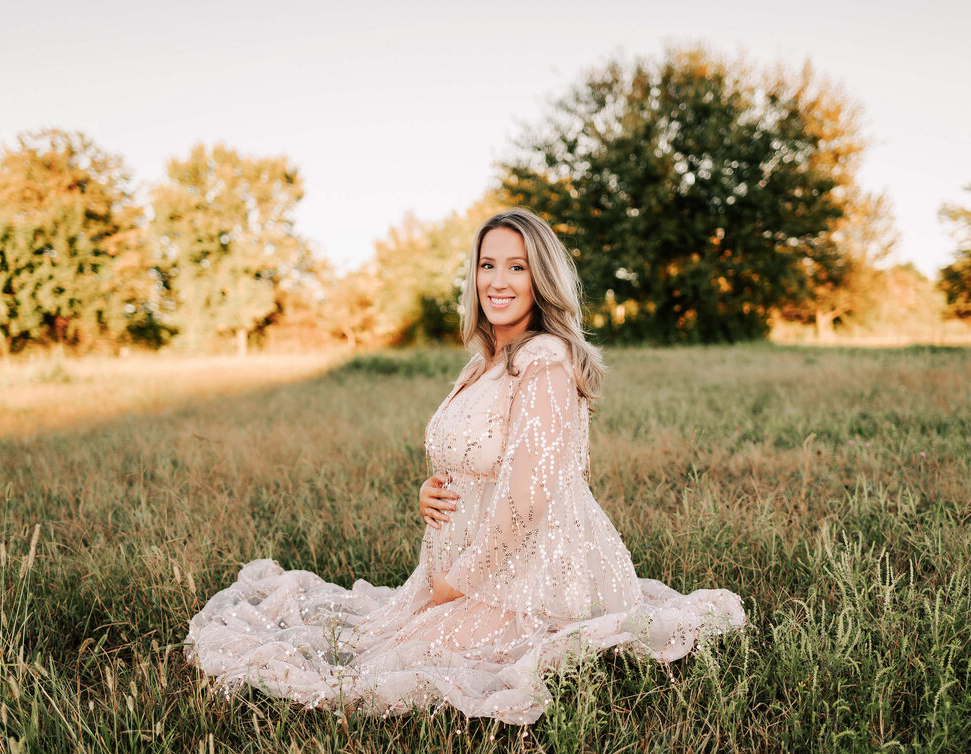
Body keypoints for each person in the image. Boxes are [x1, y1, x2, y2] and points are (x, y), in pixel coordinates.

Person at [183, 208, 746, 725]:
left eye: (517, 267)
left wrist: (458, 581)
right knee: (367, 642)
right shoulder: (485, 363)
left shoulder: (543, 361)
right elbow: (469, 457)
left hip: (531, 577)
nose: (498, 280)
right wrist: (430, 491)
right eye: (487, 265)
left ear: (540, 278)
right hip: (468, 567)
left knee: (383, 673)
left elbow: (528, 498)